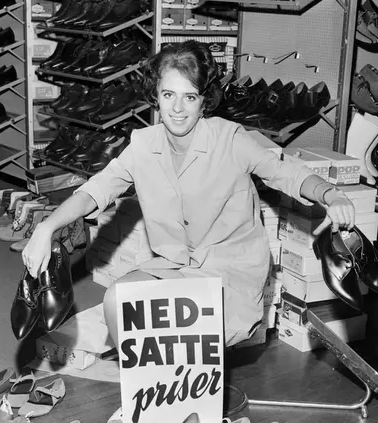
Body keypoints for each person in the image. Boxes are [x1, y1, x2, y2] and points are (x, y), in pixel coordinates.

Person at [22, 41, 355, 347]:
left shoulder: (230, 139)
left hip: (230, 272)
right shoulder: (143, 145)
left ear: (204, 100)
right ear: (156, 94)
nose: (178, 108)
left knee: (180, 329)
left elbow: (286, 173)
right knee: (117, 300)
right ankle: (157, 384)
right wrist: (46, 228)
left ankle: (186, 385)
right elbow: (96, 189)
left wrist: (331, 195)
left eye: (190, 97)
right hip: (175, 266)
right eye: (169, 95)